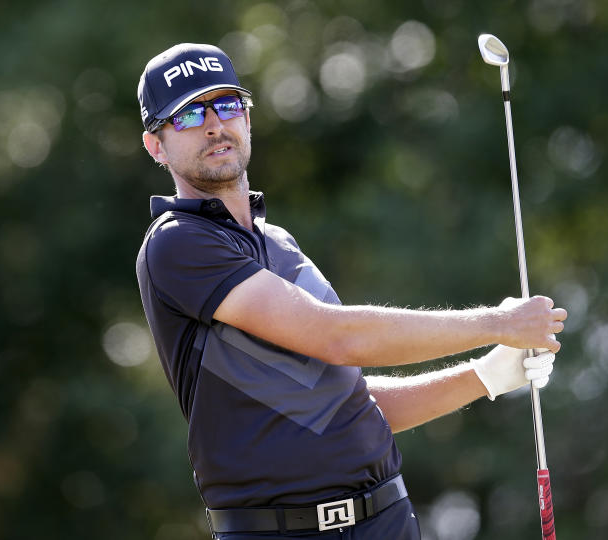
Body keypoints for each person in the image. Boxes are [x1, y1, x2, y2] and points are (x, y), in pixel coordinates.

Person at [135, 43, 567, 539]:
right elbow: (338, 337)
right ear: (156, 146)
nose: (214, 124)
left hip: (386, 520)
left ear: (247, 120)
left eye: (227, 104)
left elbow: (349, 404)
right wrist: (498, 323)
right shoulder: (177, 243)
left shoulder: (278, 246)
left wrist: (485, 376)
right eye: (189, 114)